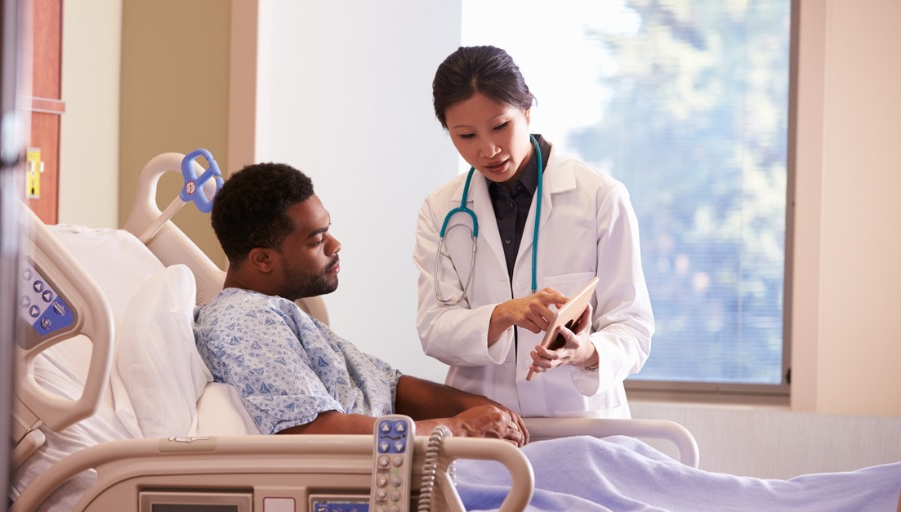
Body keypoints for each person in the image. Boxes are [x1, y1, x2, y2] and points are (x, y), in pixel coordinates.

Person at [193, 162, 528, 446]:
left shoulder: (282, 313)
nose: (335, 245)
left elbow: (390, 387)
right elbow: (316, 432)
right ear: (263, 259)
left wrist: (479, 407)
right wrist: (460, 428)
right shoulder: (246, 322)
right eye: (317, 240)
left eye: (329, 230)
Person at [413, 45, 653, 419]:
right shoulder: (441, 210)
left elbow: (633, 326)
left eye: (499, 126)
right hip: (485, 425)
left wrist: (586, 352)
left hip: (579, 423)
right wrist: (504, 314)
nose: (488, 149)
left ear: (526, 110)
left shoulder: (600, 198)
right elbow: (434, 329)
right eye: (466, 136)